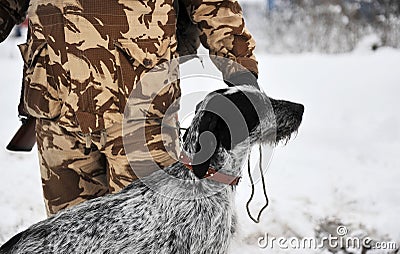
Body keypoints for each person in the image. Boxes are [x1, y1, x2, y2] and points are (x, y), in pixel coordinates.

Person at [1, 0, 260, 216]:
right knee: (67, 237)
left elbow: (213, 5)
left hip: (141, 115)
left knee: (149, 232)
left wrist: (242, 71)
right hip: (56, 111)